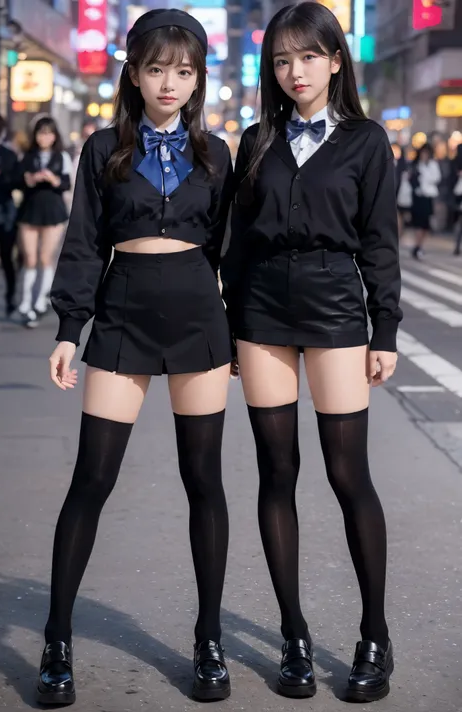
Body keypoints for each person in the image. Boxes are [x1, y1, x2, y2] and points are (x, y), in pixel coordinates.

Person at [37, 9, 233, 706]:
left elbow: (228, 249)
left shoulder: (217, 154)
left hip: (197, 320)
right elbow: (84, 240)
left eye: (184, 71)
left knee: (204, 479)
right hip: (122, 314)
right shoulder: (102, 148)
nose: (170, 83)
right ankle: (56, 638)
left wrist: (239, 329)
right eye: (157, 69)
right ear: (134, 72)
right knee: (92, 478)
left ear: (199, 76)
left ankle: (208, 639)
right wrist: (70, 327)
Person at [221, 2, 402, 703]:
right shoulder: (255, 140)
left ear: (335, 60)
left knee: (347, 473)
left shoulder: (365, 141)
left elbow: (380, 241)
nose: (295, 71)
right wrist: (228, 321)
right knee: (277, 473)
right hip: (262, 307)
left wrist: (384, 329)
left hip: (334, 306)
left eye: (308, 56)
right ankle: (293, 635)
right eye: (282, 59)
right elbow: (235, 241)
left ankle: (374, 635)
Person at [16, 116, 72, 327]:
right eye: (41, 133)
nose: (45, 137)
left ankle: (40, 301)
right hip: (30, 210)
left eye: (49, 133)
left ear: (55, 136)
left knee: (45, 257)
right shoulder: (28, 156)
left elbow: (66, 184)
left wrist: (52, 178)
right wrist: (29, 179)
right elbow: (18, 179)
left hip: (53, 211)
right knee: (29, 258)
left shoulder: (62, 157)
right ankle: (25, 301)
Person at [0, 111, 18, 318]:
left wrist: (1, 177)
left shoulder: (8, 155)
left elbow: (16, 181)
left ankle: (10, 299)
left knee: (7, 258)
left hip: (5, 213)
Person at [409, 143, 441, 259]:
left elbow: (436, 178)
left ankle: (420, 246)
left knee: (425, 225)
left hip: (428, 196)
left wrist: (425, 176)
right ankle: (417, 246)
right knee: (418, 223)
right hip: (418, 197)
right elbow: (412, 179)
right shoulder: (416, 165)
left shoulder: (432, 164)